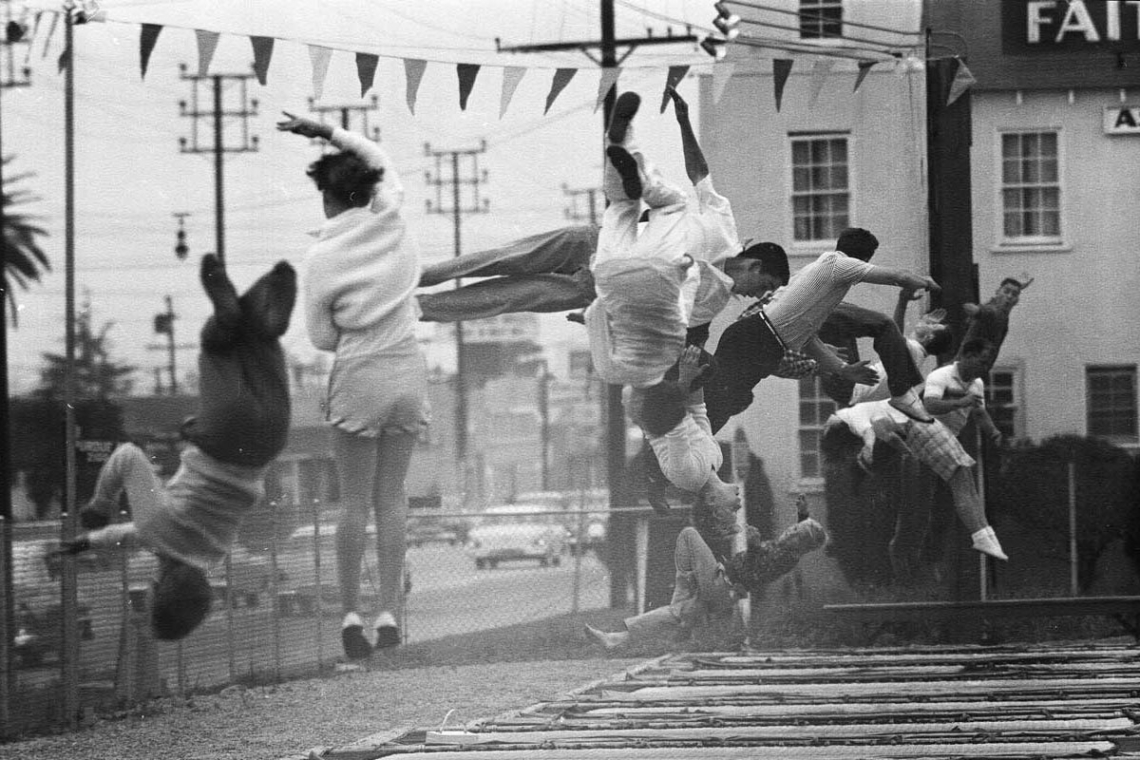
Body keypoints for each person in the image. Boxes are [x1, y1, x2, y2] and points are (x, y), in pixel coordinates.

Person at [65, 254, 297, 641]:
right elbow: (127, 458)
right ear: (156, 589)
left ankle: (272, 294)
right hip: (223, 434)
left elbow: (135, 535)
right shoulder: (156, 527)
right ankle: (229, 310)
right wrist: (99, 506)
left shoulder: (211, 553)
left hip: (270, 440)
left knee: (258, 342)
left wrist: (87, 543)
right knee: (216, 343)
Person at [278, 112, 429, 660]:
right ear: (366, 190)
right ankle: (389, 613)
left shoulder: (322, 256)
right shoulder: (392, 217)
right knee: (393, 501)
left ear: (328, 198)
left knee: (353, 504)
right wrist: (327, 130)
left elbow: (320, 337)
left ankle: (348, 615)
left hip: (359, 372)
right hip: (408, 368)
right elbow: (382, 158)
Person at [703, 227, 941, 434]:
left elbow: (808, 341)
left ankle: (688, 445)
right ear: (863, 259)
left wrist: (844, 369)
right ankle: (902, 395)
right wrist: (923, 281)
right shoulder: (836, 264)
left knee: (721, 404)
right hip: (753, 340)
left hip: (761, 345)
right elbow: (896, 276)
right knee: (718, 401)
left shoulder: (822, 290)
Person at [585, 87, 742, 388]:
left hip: (655, 260)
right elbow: (597, 314)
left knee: (671, 202)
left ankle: (627, 153)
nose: (756, 294)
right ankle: (621, 150)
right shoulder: (625, 369)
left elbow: (686, 287)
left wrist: (683, 267)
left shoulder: (718, 281)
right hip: (612, 272)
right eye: (767, 286)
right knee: (621, 204)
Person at [585, 513, 828, 649]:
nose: (791, 531)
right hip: (722, 587)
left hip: (724, 585)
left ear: (803, 546)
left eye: (798, 535)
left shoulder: (787, 556)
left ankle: (687, 620)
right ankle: (617, 638)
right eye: (794, 527)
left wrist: (753, 545)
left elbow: (759, 569)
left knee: (689, 535)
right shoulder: (785, 550)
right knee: (675, 607)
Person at [821, 396, 1008, 562]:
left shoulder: (859, 421)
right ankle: (983, 536)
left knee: (963, 486)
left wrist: (886, 450)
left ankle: (983, 537)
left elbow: (884, 437)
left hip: (923, 436)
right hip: (926, 431)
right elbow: (885, 434)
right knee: (964, 485)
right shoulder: (860, 413)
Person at [822, 290, 953, 408]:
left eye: (932, 325)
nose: (925, 321)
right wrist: (925, 318)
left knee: (834, 316)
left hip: (846, 385)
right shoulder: (916, 357)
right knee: (848, 318)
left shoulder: (914, 352)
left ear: (928, 337)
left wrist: (903, 299)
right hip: (848, 387)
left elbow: (892, 331)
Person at [922, 337, 1003, 447]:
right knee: (961, 464)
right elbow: (930, 405)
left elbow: (979, 413)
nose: (985, 368)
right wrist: (961, 403)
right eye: (982, 363)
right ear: (968, 356)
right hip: (927, 434)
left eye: (988, 365)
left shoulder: (977, 383)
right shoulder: (940, 375)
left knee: (964, 463)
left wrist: (993, 432)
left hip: (951, 437)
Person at [961, 276, 1032, 370]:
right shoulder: (996, 313)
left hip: (973, 369)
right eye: (1006, 291)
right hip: (966, 369)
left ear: (1017, 300)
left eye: (1014, 294)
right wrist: (977, 311)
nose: (1009, 296)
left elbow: (990, 307)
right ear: (997, 292)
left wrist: (1019, 286)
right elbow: (988, 312)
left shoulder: (998, 309)